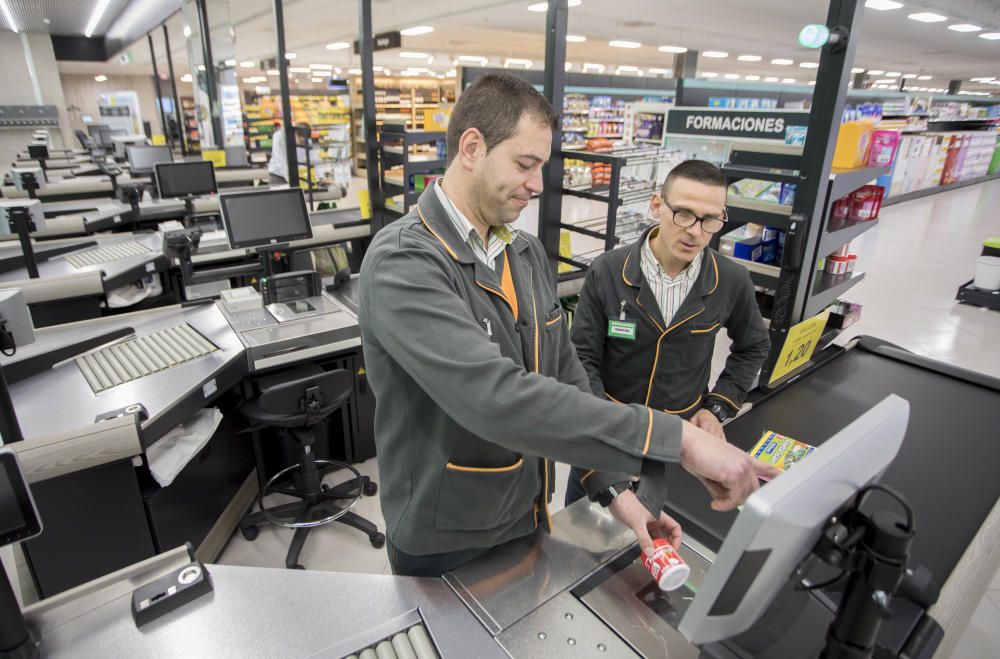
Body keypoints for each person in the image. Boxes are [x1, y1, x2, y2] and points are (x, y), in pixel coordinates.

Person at [359, 73, 778, 578]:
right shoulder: (405, 261)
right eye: (525, 164)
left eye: (542, 167)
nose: (538, 184)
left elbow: (567, 376)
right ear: (472, 147)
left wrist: (615, 487)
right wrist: (679, 440)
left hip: (527, 510)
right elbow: (496, 399)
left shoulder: (524, 252)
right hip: (444, 532)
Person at [564, 160, 770, 507]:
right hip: (610, 431)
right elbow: (581, 357)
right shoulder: (609, 271)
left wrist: (717, 407)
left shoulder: (731, 280)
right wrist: (603, 427)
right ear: (657, 205)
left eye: (709, 220)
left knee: (661, 534)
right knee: (582, 534)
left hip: (682, 441)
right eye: (684, 214)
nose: (694, 231)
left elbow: (753, 347)